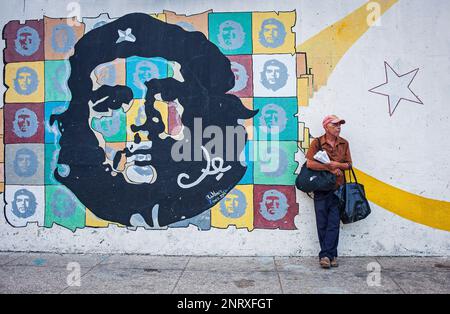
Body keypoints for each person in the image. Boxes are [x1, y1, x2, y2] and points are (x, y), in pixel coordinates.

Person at [305, 114, 352, 269]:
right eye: (335, 125)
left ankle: (326, 255)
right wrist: (329, 167)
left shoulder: (344, 143)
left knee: (333, 222)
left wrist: (337, 164)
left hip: (338, 188)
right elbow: (310, 164)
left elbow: (349, 165)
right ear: (326, 127)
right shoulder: (317, 143)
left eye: (339, 125)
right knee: (322, 222)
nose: (338, 127)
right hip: (321, 187)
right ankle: (331, 255)